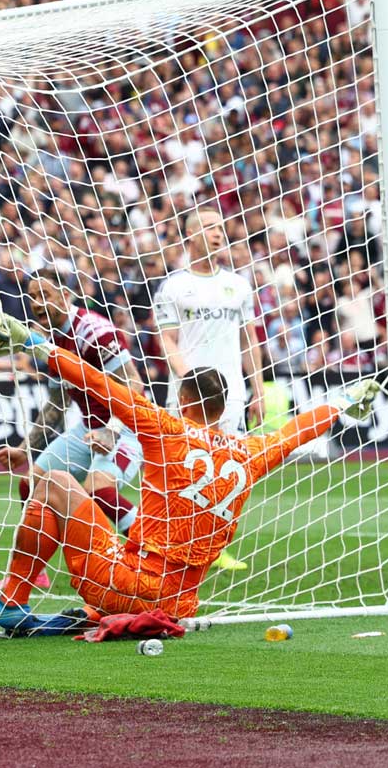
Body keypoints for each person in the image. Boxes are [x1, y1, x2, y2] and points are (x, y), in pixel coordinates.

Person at [0, 313, 380, 634]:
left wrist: (33, 342)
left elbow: (98, 383)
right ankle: (63, 607)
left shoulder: (168, 429)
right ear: (224, 408)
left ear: (181, 397)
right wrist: (344, 400)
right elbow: (295, 431)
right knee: (78, 496)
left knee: (53, 481)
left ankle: (12, 601)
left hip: (127, 583)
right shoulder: (252, 451)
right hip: (180, 604)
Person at [0, 275, 148, 591]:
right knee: (31, 482)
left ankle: (154, 548)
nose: (36, 302)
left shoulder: (94, 331)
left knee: (99, 492)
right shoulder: (53, 341)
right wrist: (24, 448)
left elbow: (135, 385)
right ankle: (32, 572)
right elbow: (57, 404)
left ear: (65, 295)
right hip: (88, 429)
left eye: (44, 293)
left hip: (126, 427)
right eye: (32, 296)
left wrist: (112, 432)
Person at [153, 208, 267, 572]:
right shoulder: (173, 286)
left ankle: (213, 547)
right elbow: (167, 340)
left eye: (220, 226)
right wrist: (192, 381)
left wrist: (259, 387)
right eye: (207, 227)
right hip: (188, 394)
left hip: (231, 394)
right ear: (190, 235)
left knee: (224, 473)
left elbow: (250, 339)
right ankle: (169, 542)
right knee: (181, 469)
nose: (217, 233)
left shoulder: (238, 285)